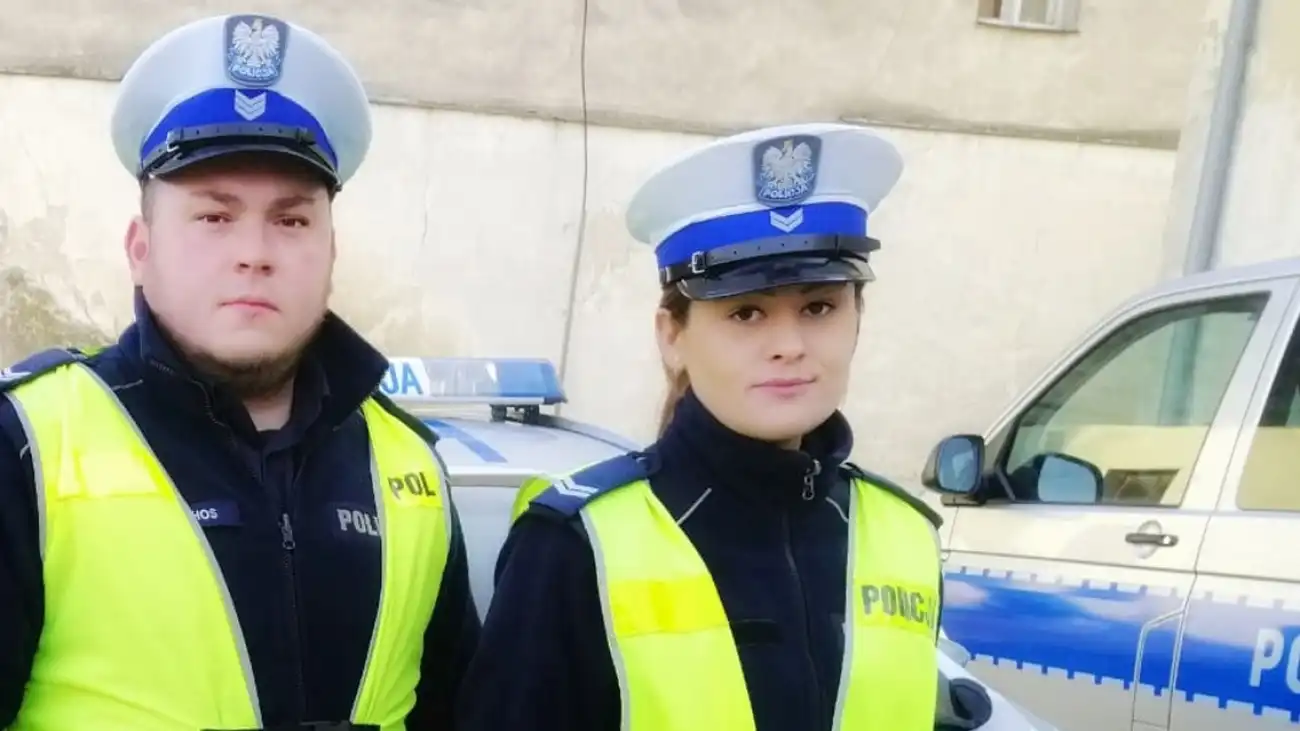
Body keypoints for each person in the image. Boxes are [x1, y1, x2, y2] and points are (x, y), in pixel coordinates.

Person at [0, 13, 479, 731]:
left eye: (291, 221)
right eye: (214, 218)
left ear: (330, 252)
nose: (254, 253)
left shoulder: (410, 467)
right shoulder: (24, 448)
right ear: (140, 249)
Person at [457, 123, 994, 731]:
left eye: (819, 307)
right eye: (746, 313)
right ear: (673, 336)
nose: (789, 345)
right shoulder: (576, 545)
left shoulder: (906, 535)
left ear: (857, 320)